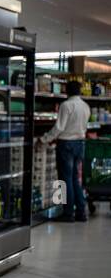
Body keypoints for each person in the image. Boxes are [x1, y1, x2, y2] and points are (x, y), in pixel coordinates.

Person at [41, 79, 91, 222]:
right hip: (80, 144)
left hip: (66, 145)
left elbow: (59, 128)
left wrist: (44, 139)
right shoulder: (85, 106)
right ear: (79, 91)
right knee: (76, 179)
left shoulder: (66, 105)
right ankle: (81, 212)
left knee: (65, 179)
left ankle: (67, 213)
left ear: (67, 91)